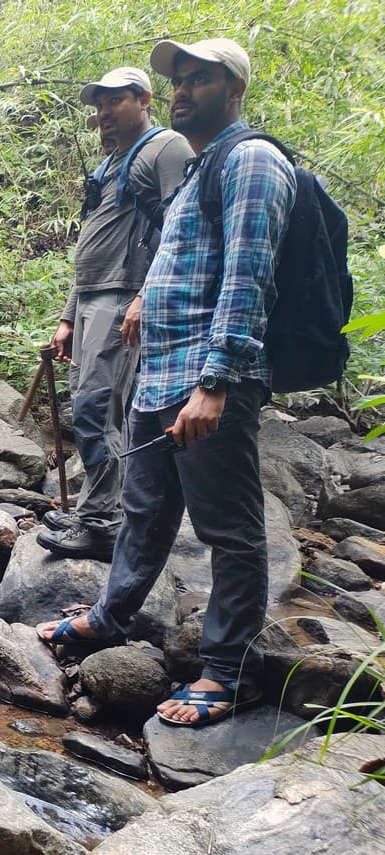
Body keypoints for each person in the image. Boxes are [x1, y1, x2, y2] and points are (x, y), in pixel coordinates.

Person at [38, 38, 296, 728]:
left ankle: (227, 672)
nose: (182, 91)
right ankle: (111, 617)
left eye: (199, 80)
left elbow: (248, 278)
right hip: (161, 374)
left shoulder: (251, 161)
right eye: (178, 80)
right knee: (147, 515)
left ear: (234, 88)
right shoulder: (202, 166)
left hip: (209, 380)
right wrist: (144, 305)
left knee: (229, 531)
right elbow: (174, 260)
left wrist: (215, 383)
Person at [41, 68, 193, 561]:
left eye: (114, 101)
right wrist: (68, 315)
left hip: (125, 296)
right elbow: (94, 246)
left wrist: (148, 296)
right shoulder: (110, 164)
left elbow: (182, 226)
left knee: (96, 409)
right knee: (90, 407)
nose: (103, 112)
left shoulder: (165, 147)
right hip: (92, 299)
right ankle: (101, 510)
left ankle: (101, 523)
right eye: (99, 104)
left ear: (144, 99)